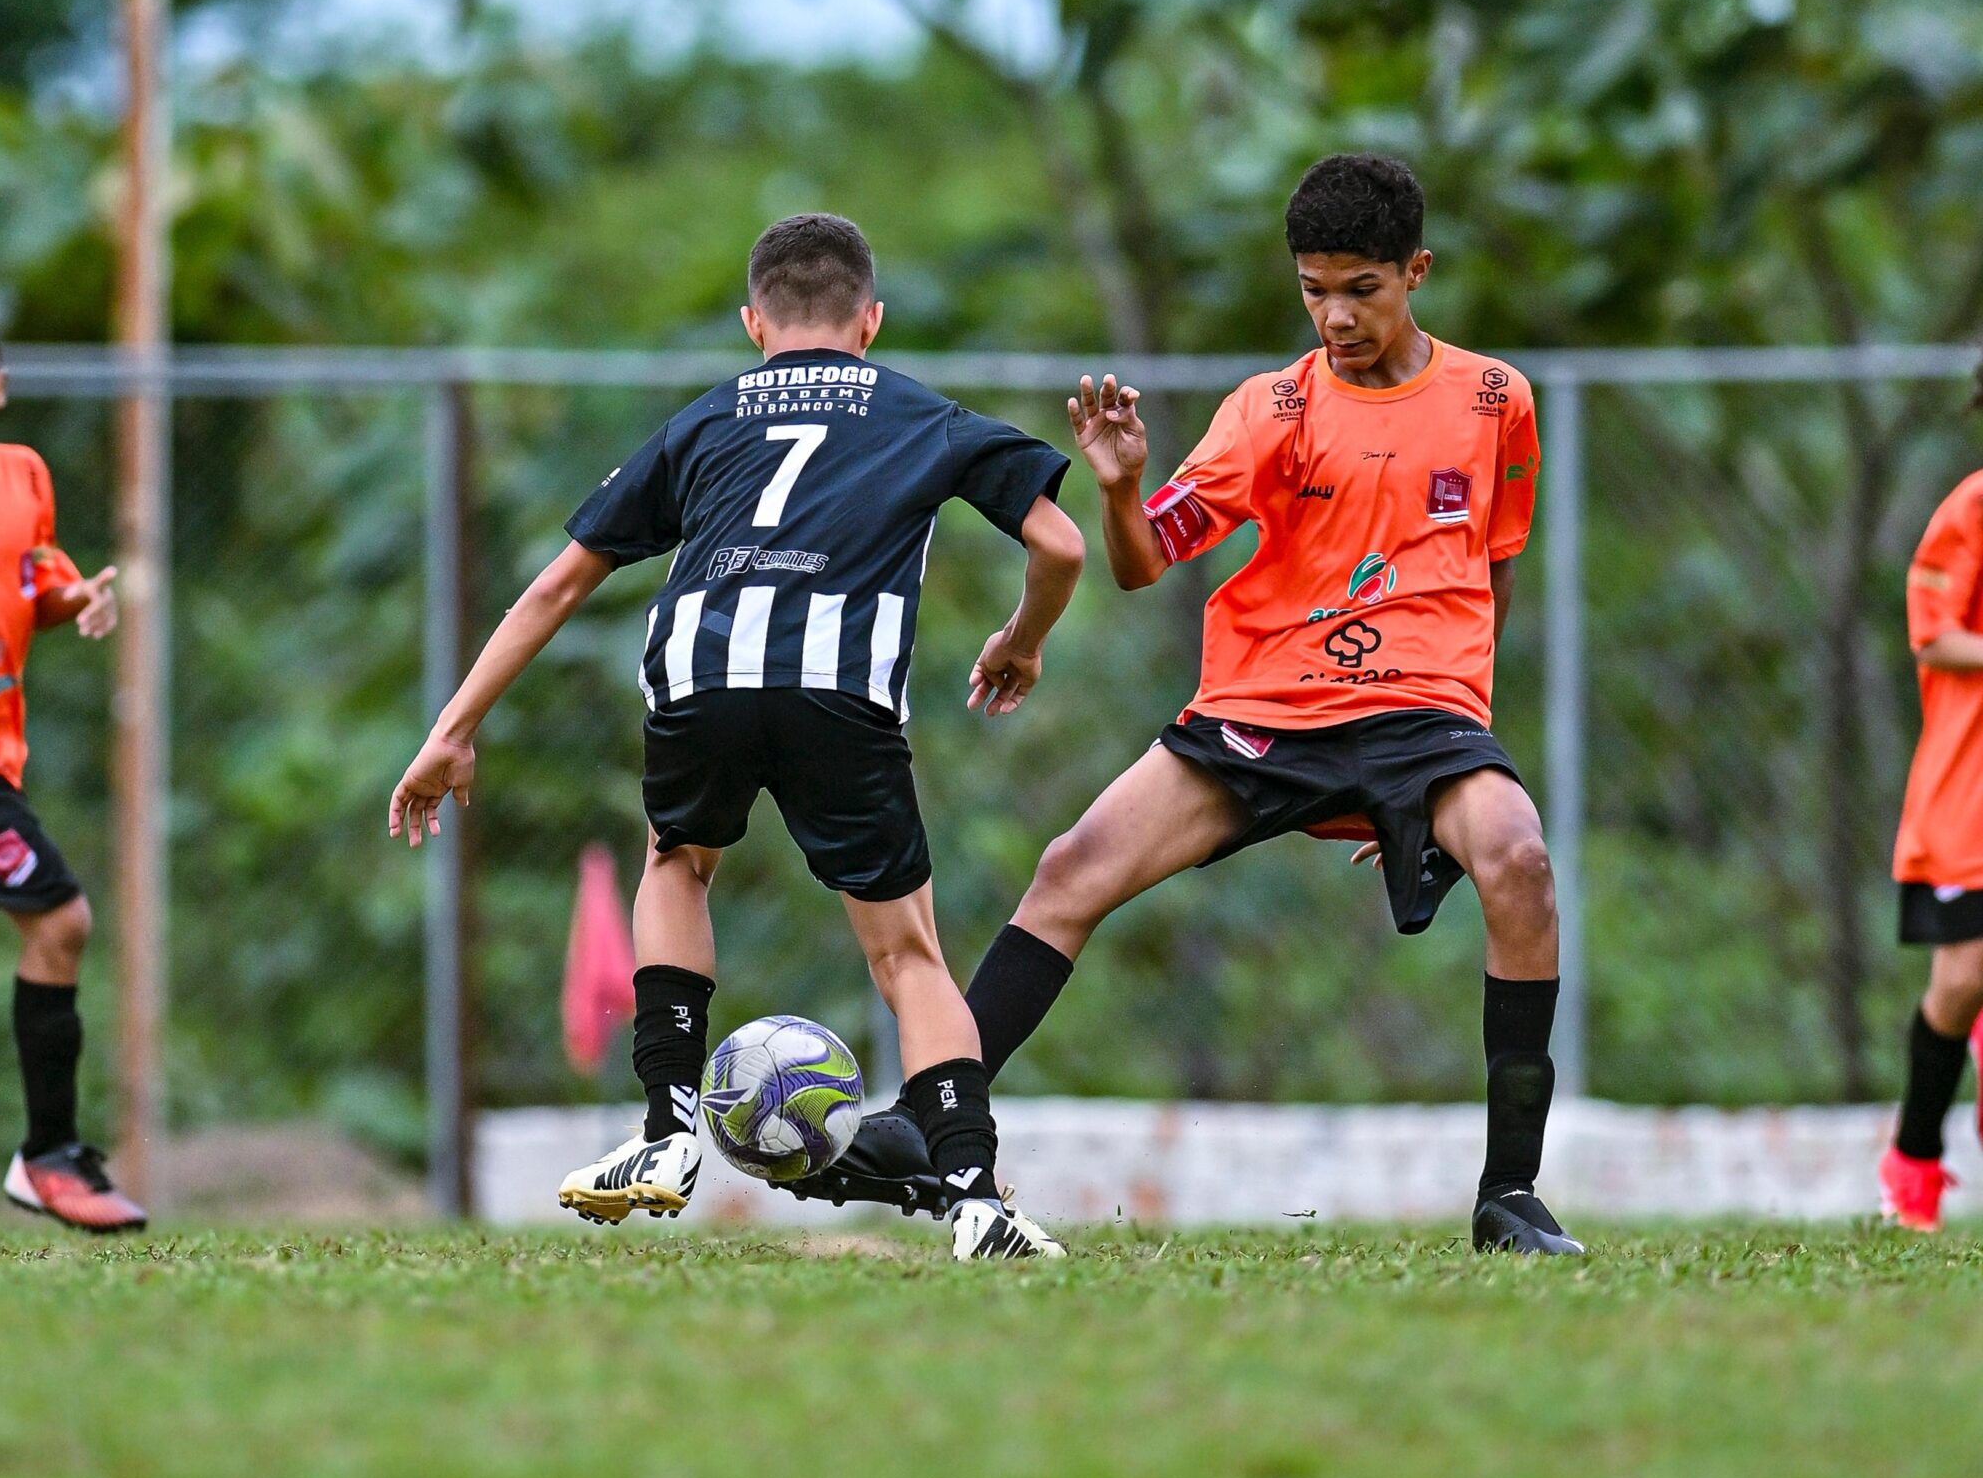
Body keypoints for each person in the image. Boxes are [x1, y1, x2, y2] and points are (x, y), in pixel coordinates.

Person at [797, 155, 1582, 1256]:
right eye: (1313, 288)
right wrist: (1119, 487)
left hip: (1419, 711)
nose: (1334, 314)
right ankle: (928, 1126)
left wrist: (1454, 768)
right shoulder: (1264, 409)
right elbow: (1141, 562)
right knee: (1071, 867)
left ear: (1416, 271)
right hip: (1262, 703)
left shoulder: (1497, 399)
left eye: (1361, 287)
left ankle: (1509, 1195)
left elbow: (1488, 574)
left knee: (1518, 859)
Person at [387, 215, 1085, 1262]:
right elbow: (1061, 543)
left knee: (678, 862)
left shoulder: (706, 419)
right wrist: (1021, 641)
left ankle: (668, 1135)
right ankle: (975, 1196)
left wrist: (453, 730)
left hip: (698, 671)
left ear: (753, 321)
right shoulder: (920, 414)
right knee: (904, 951)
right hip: (836, 688)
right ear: (871, 321)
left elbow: (558, 582)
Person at [0, 297, 145, 1231]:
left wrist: (76, 598)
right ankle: (49, 1156)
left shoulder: (22, 477)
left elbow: (32, 579)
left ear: (3, 386)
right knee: (60, 920)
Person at [1877, 353, 1983, 1231]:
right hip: (1969, 795)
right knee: (1962, 981)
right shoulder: (1972, 507)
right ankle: (1914, 1158)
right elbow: (1934, 638)